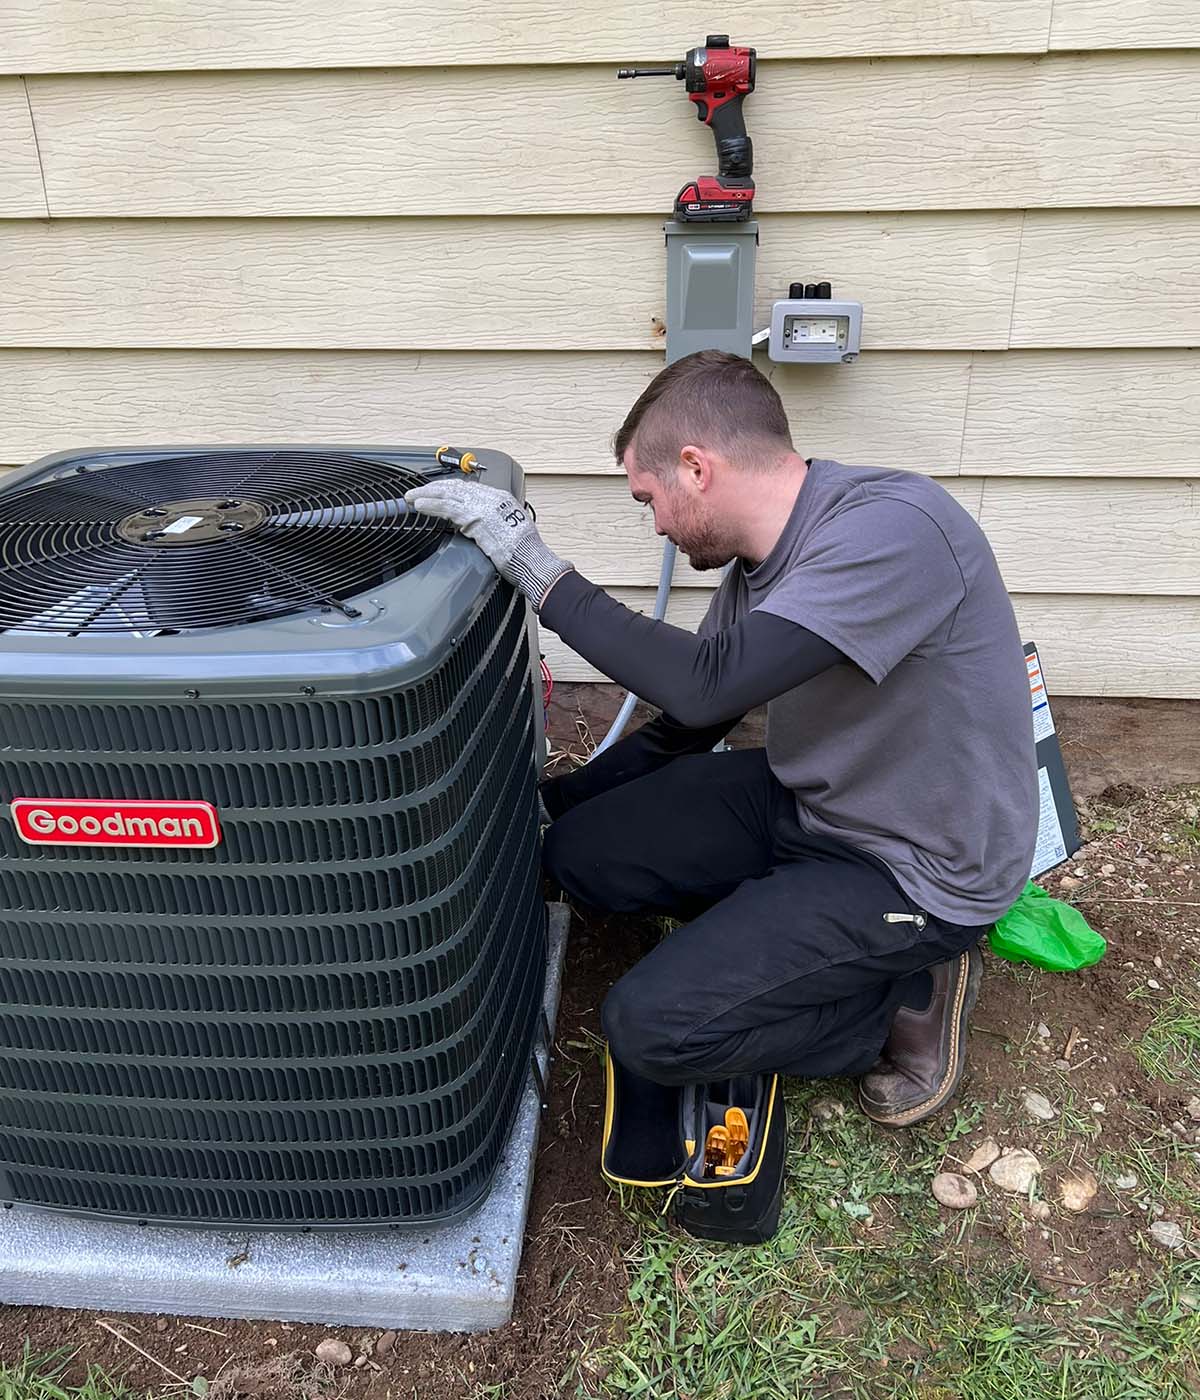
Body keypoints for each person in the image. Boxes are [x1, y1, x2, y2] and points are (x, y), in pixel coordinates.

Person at [405, 350, 1037, 1127]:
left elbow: (706, 681)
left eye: (649, 500)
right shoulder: (757, 570)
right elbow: (694, 722)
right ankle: (785, 931)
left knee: (649, 1029)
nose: (659, 527)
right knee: (579, 854)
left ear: (696, 468)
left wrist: (538, 572)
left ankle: (900, 1003)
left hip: (912, 865)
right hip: (814, 799)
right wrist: (553, 803)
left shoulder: (895, 531)